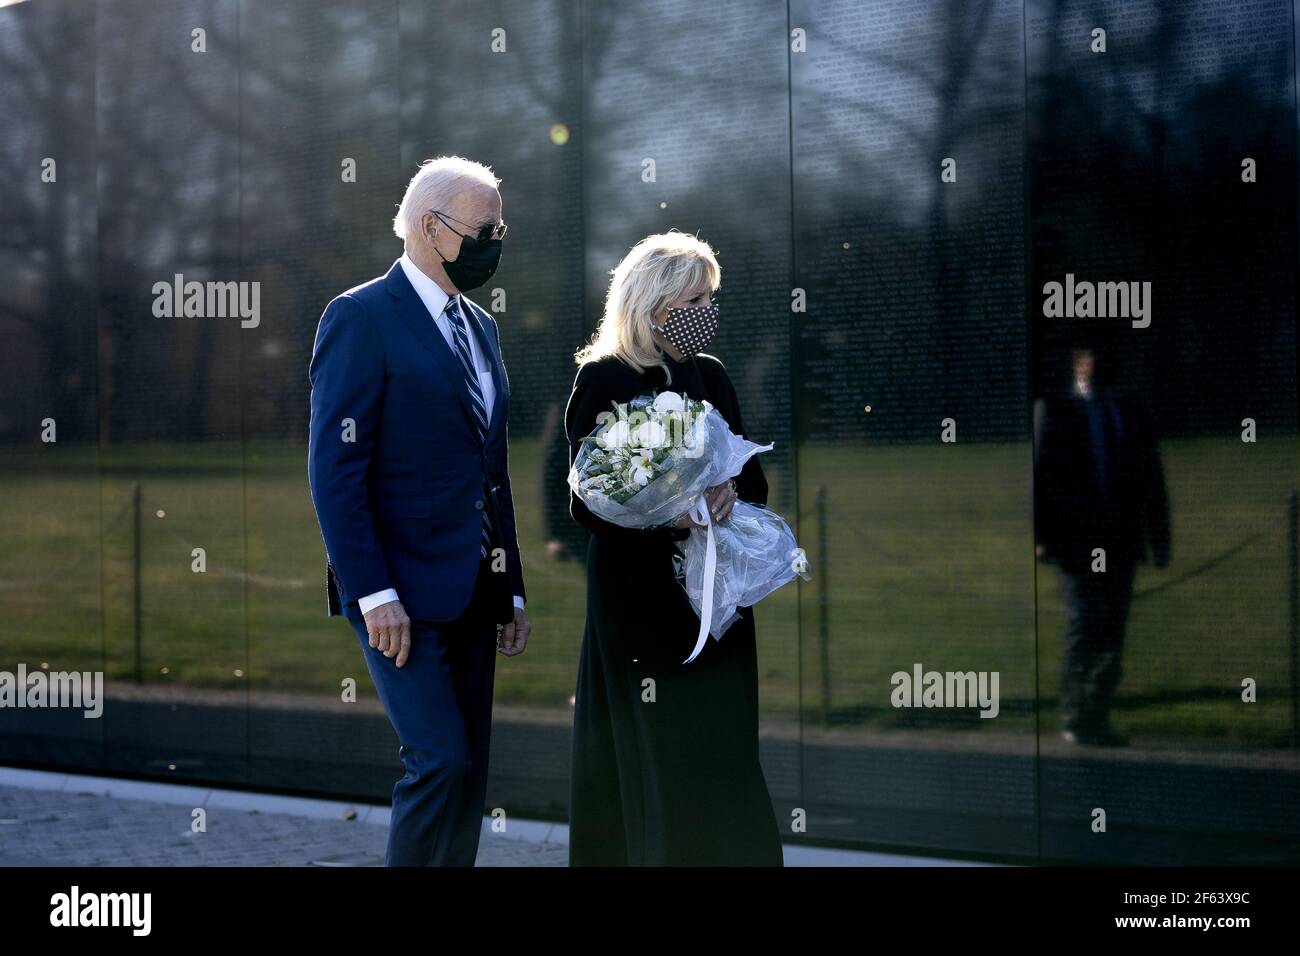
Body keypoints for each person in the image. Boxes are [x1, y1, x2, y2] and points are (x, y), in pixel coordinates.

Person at [307, 156, 531, 865]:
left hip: (473, 587)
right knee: (437, 762)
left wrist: (512, 584)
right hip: (397, 596)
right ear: (431, 228)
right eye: (485, 228)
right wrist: (374, 595)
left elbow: (490, 472)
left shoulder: (483, 331)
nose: (497, 241)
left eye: (502, 227)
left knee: (468, 775)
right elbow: (333, 472)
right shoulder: (360, 317)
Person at [565, 231, 783, 865]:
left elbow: (753, 478)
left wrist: (727, 492)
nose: (707, 311)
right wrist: (668, 517)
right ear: (654, 301)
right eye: (696, 297)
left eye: (712, 297)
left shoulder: (708, 373)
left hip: (715, 597)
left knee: (723, 743)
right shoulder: (603, 377)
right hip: (639, 604)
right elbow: (586, 499)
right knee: (655, 747)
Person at [1034, 346, 1170, 746]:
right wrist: (1043, 537)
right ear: (1076, 363)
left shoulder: (1129, 411)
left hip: (1121, 541)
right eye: (1087, 358)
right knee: (1085, 624)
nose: (1093, 367)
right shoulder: (1055, 410)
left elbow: (1151, 477)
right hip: (1076, 543)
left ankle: (1096, 714)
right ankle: (1076, 714)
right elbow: (1041, 476)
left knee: (1112, 630)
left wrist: (1158, 538)